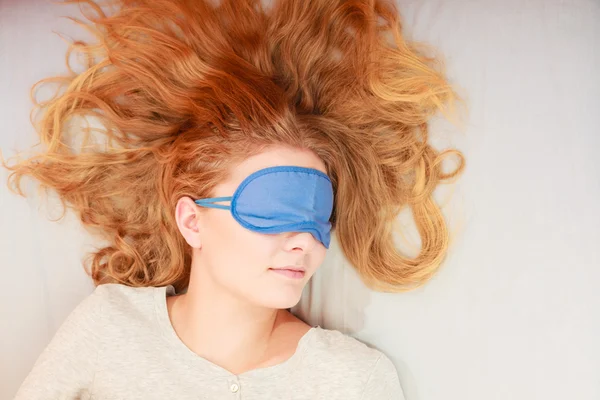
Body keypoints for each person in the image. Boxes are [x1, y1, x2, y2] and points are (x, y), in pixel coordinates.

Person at [5, 0, 465, 398]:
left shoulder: (349, 380)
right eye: (270, 209)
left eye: (318, 218)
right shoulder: (109, 327)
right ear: (191, 221)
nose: (304, 242)